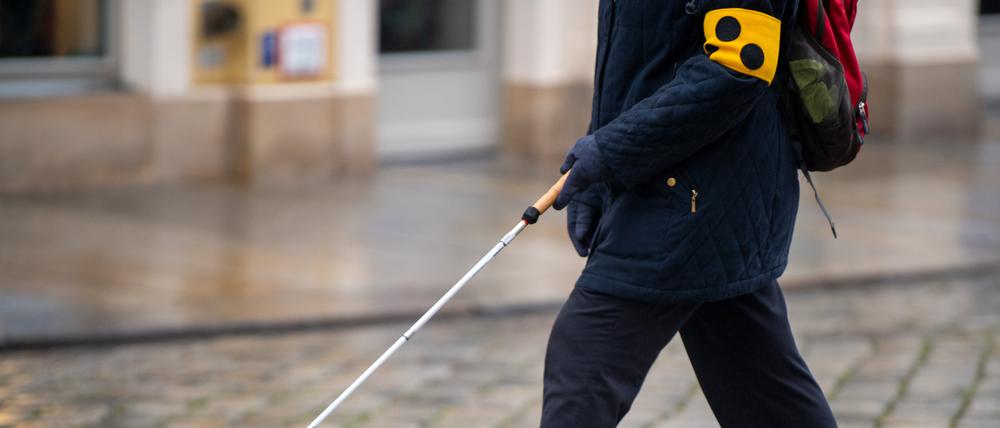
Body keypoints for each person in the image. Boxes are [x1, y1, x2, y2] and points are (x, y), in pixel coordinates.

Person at [542, 0, 839, 426]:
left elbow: (737, 67)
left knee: (584, 360)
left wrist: (610, 151)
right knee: (766, 394)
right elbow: (642, 56)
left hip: (700, 193)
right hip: (685, 186)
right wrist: (599, 171)